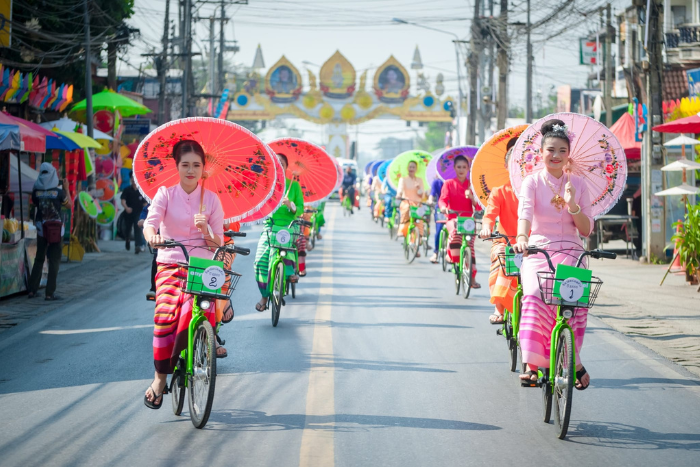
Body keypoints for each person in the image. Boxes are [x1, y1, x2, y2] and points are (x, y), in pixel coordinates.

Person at [142, 140, 225, 409]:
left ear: (204, 169)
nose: (191, 170)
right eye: (185, 165)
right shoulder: (165, 195)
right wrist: (152, 236)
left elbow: (218, 244)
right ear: (177, 167)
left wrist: (206, 232)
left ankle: (201, 346)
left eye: (196, 165)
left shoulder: (212, 200)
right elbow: (151, 223)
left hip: (201, 268)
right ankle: (159, 378)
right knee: (165, 314)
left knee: (200, 312)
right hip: (170, 264)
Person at [512, 119, 593, 390]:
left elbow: (586, 228)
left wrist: (572, 205)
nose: (556, 156)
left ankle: (574, 359)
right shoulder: (532, 182)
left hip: (572, 251)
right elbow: (524, 215)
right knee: (534, 294)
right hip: (538, 250)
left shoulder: (579, 185)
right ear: (541, 152)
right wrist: (522, 238)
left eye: (561, 150)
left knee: (574, 305)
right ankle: (531, 364)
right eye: (550, 150)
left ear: (568, 154)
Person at [254, 153, 304, 312]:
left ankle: (289, 272)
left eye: (281, 163)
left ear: (286, 167)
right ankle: (264, 296)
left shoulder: (294, 186)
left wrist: (291, 205)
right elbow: (258, 204)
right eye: (276, 163)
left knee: (286, 247)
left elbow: (301, 209)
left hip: (288, 226)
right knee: (260, 261)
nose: (279, 166)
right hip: (270, 225)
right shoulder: (267, 186)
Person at [479, 137, 520, 323]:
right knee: (504, 255)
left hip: (534, 242)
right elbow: (489, 215)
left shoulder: (537, 189)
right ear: (506, 166)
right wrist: (487, 227)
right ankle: (500, 309)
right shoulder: (499, 191)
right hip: (505, 241)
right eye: (512, 162)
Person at [27, 163, 70, 300]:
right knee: (54, 260)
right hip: (57, 230)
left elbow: (34, 203)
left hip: (41, 229)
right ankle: (49, 293)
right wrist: (66, 189)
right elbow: (69, 205)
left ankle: (32, 290)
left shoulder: (36, 192)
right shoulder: (58, 193)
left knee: (39, 258)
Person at [438, 155, 481, 288]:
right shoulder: (448, 183)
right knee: (455, 230)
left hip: (468, 220)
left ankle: (472, 277)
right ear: (454, 168)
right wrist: (444, 208)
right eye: (459, 167)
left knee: (470, 247)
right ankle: (451, 255)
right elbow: (443, 199)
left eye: (464, 167)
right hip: (453, 218)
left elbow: (479, 207)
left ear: (468, 168)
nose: (461, 169)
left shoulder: (472, 185)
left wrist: (473, 198)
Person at [396, 160, 426, 249]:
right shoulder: (403, 179)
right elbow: (400, 190)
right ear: (407, 168)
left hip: (417, 204)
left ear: (416, 169)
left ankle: (417, 245)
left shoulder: (419, 180)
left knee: (419, 223)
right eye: (410, 167)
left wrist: (418, 188)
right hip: (407, 203)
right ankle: (402, 230)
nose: (411, 169)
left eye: (413, 167)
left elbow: (422, 195)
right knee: (406, 210)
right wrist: (399, 195)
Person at [121, 172, 146, 254]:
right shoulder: (127, 190)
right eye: (132, 177)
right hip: (128, 213)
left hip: (138, 213)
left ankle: (138, 246)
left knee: (137, 228)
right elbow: (123, 201)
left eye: (134, 178)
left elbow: (145, 202)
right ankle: (127, 239)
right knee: (127, 230)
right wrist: (126, 208)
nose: (133, 179)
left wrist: (145, 210)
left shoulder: (141, 191)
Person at [139, 204, 157, 301]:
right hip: (164, 240)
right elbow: (149, 221)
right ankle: (154, 288)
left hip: (190, 246)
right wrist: (152, 237)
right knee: (157, 259)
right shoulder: (161, 198)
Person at [428, 174, 444, 264]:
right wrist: (430, 200)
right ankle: (436, 252)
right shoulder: (437, 182)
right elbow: (432, 193)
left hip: (455, 210)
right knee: (438, 231)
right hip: (441, 209)